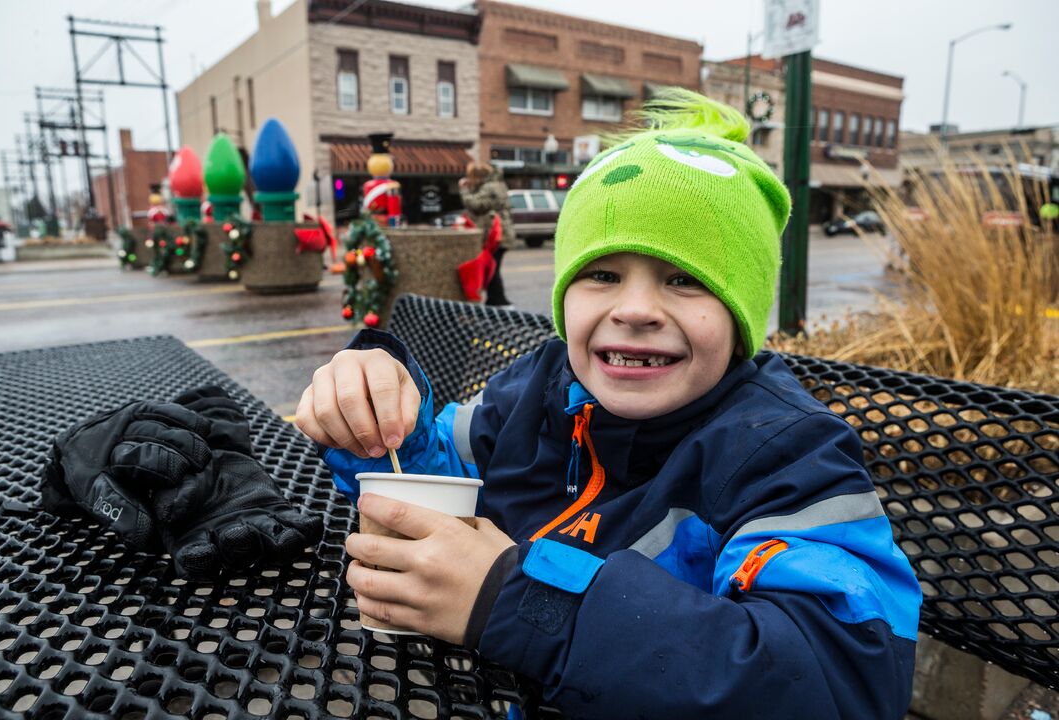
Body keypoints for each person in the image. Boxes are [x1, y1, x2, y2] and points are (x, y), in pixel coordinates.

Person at [296, 89, 920, 719]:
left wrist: (516, 601)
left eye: (684, 280)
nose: (635, 309)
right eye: (602, 274)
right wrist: (377, 415)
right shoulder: (543, 387)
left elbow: (840, 679)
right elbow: (441, 475)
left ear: (741, 315)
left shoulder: (784, 454)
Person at [460, 162, 515, 306]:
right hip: (501, 234)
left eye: (470, 177)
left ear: (477, 177)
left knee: (492, 268)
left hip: (496, 235)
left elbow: (476, 205)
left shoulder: (489, 187)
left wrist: (464, 190)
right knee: (492, 268)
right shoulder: (496, 184)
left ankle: (500, 301)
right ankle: (495, 300)